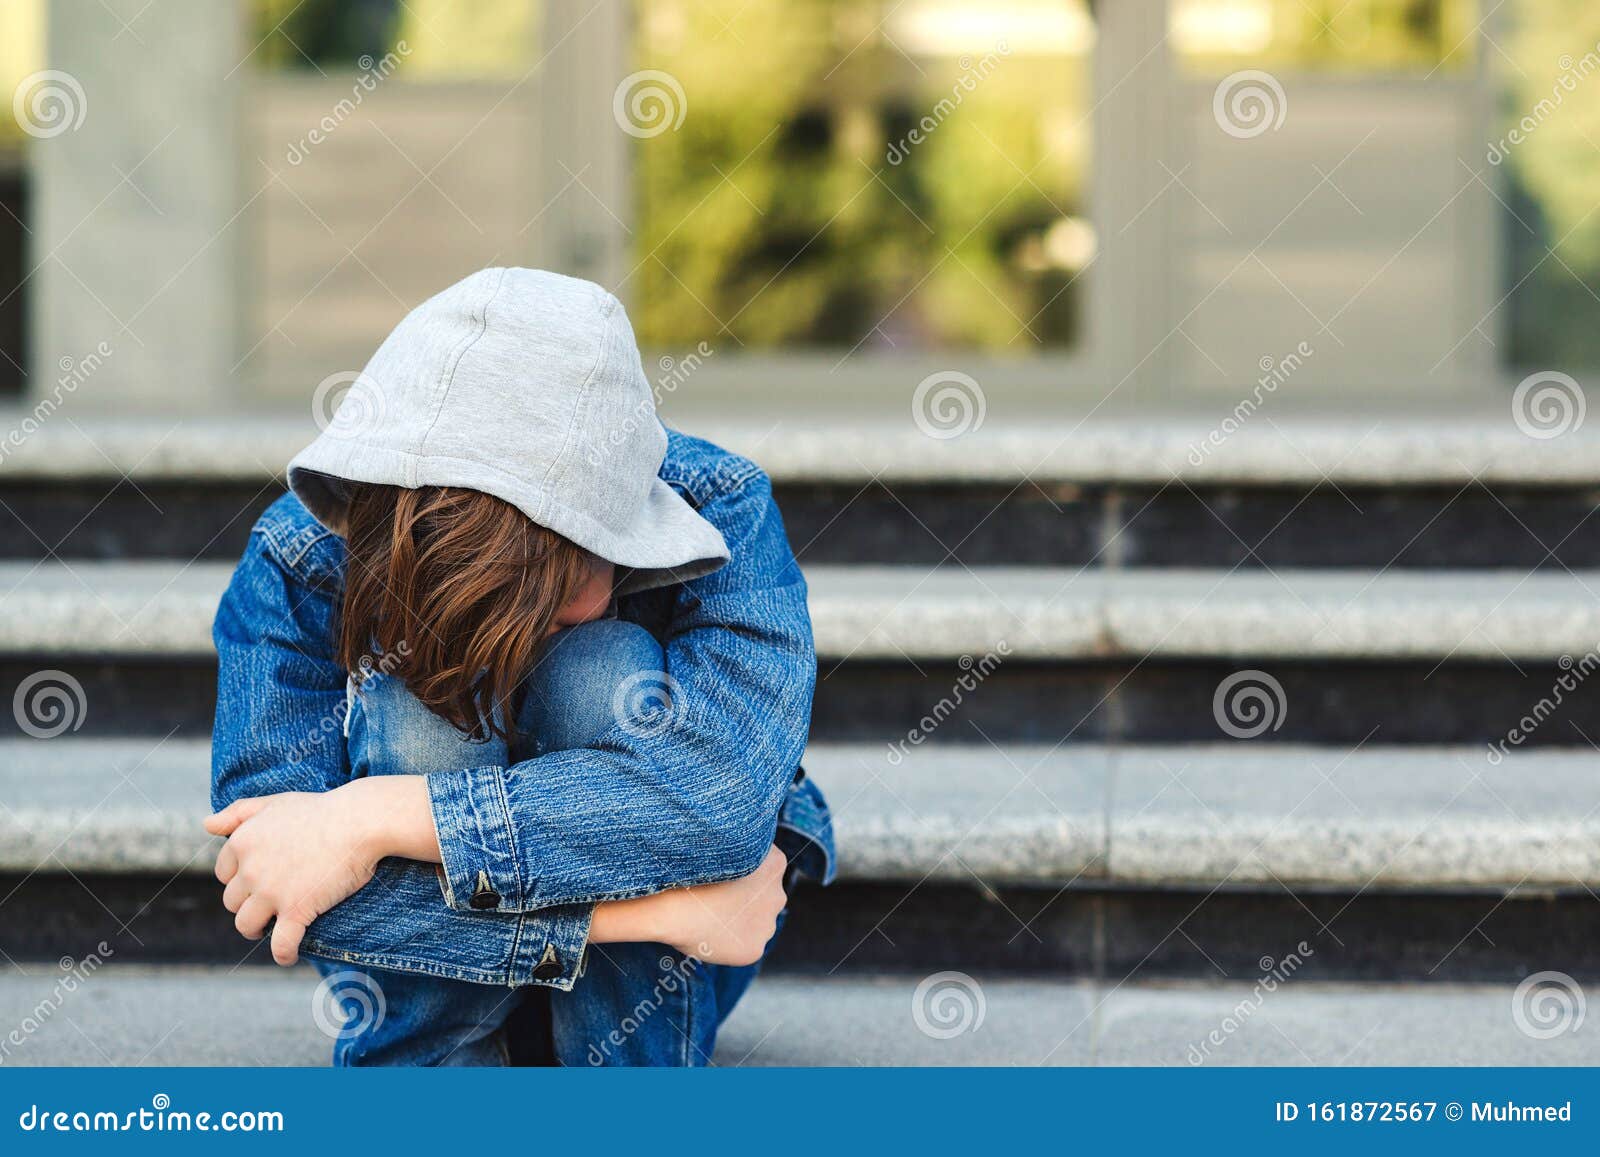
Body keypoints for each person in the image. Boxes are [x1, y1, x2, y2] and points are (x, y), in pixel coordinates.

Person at [206, 267, 833, 1066]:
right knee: (417, 697)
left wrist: (371, 817)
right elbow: (281, 883)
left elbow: (718, 807)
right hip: (434, 985)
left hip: (649, 998)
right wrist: (653, 912)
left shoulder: (722, 505)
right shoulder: (304, 556)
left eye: (562, 582)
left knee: (602, 668)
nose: (549, 618)